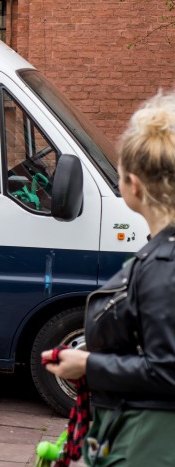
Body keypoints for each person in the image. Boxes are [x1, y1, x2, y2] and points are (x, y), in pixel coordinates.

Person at [43, 92, 175, 466]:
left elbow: (168, 369)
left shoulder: (165, 263)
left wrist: (88, 366)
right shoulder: (161, 253)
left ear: (133, 185)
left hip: (149, 440)